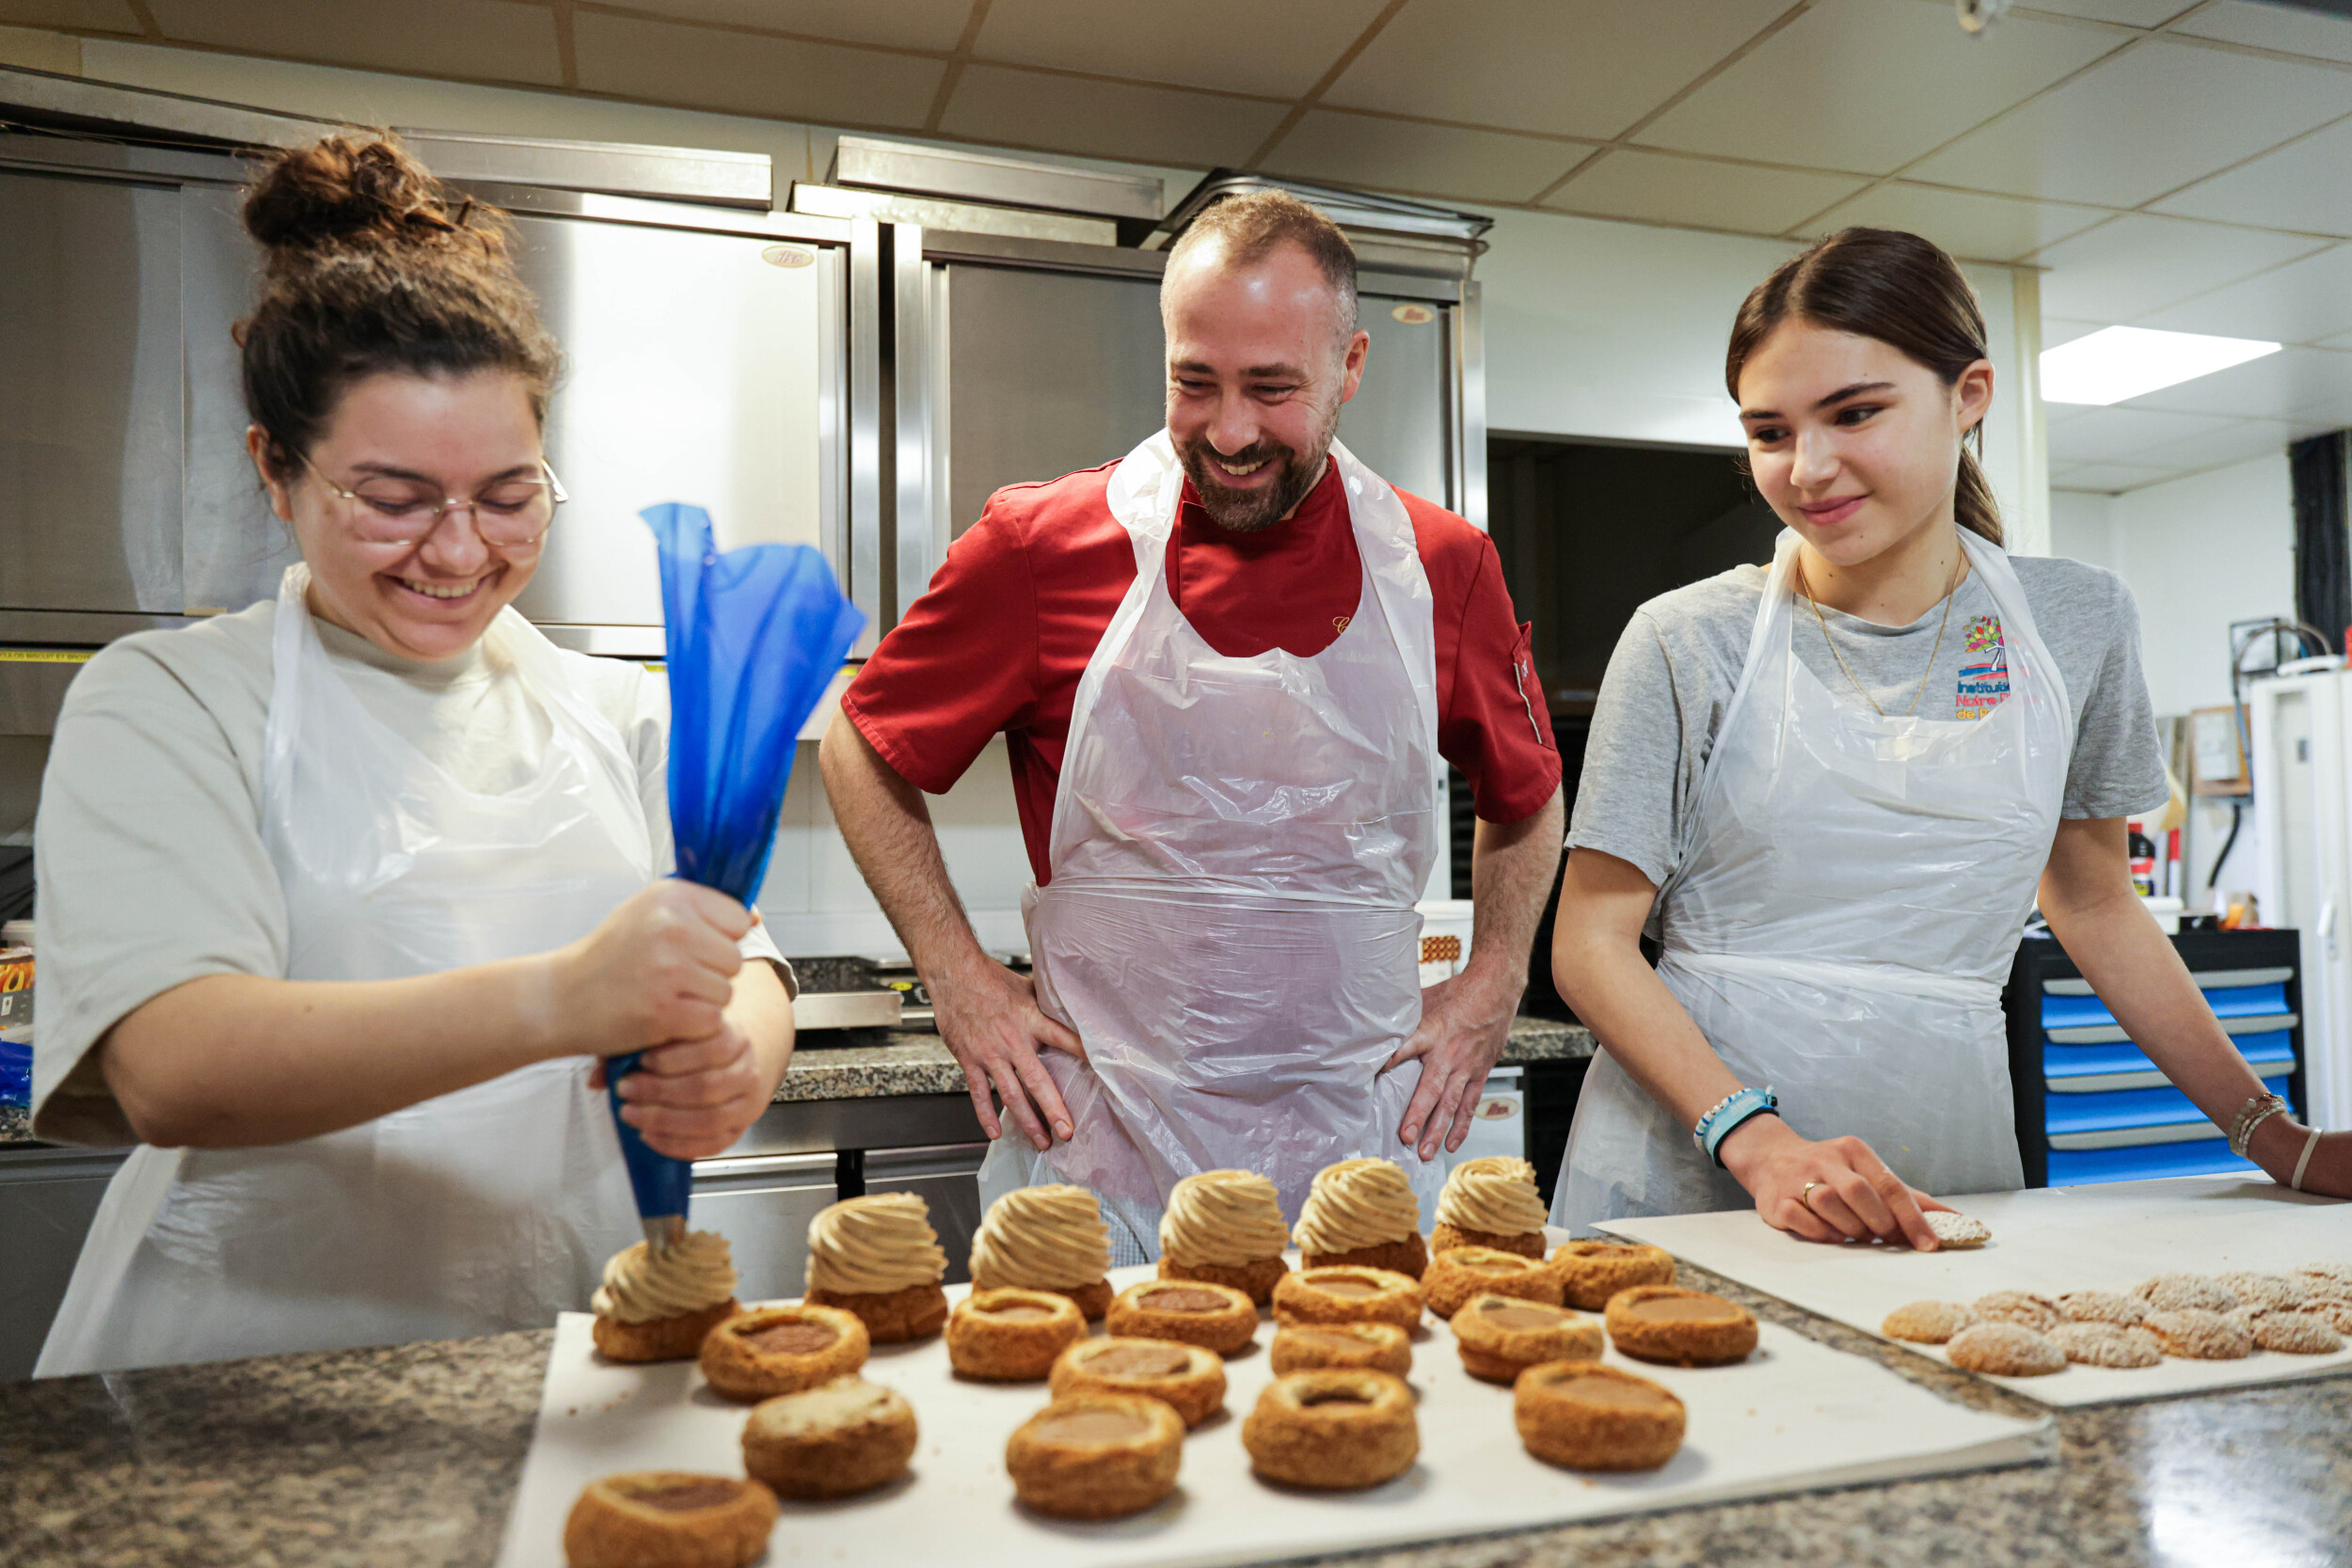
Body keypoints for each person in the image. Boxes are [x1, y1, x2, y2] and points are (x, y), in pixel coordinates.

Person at [29, 135, 795, 1376]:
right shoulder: (169, 700)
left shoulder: (616, 710)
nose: (457, 551)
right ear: (275, 472)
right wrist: (560, 997)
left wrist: (734, 1062)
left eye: (509, 494)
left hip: (557, 1355)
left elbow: (743, 959)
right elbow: (174, 1064)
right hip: (242, 1378)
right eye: (393, 496)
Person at [1551, 228, 2349, 1244]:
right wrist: (1759, 1141)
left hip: (1945, 1149)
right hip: (1696, 1166)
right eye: (1769, 430)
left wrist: (2273, 1136)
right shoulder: (1686, 637)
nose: (1808, 467)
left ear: (1968, 393)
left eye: (1855, 413)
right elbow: (1590, 941)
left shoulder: (2077, 622)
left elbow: (2096, 898)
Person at [820, 191, 1565, 1259]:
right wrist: (955, 974)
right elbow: (863, 739)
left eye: (1273, 388)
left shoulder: (1443, 568)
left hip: (1358, 1169)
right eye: (1193, 382)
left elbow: (1526, 796)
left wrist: (1496, 972)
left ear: (1350, 367)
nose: (1229, 431)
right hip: (1101, 1174)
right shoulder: (1042, 543)